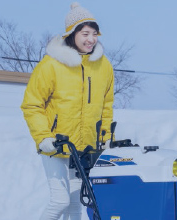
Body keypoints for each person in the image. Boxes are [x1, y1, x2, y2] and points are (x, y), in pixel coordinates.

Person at [21, 2, 114, 220]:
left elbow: (106, 106)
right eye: (85, 33)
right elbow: (32, 104)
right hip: (55, 144)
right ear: (72, 34)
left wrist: (106, 138)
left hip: (84, 147)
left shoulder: (104, 65)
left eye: (94, 34)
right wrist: (43, 137)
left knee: (75, 204)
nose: (91, 39)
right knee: (59, 201)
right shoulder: (51, 64)